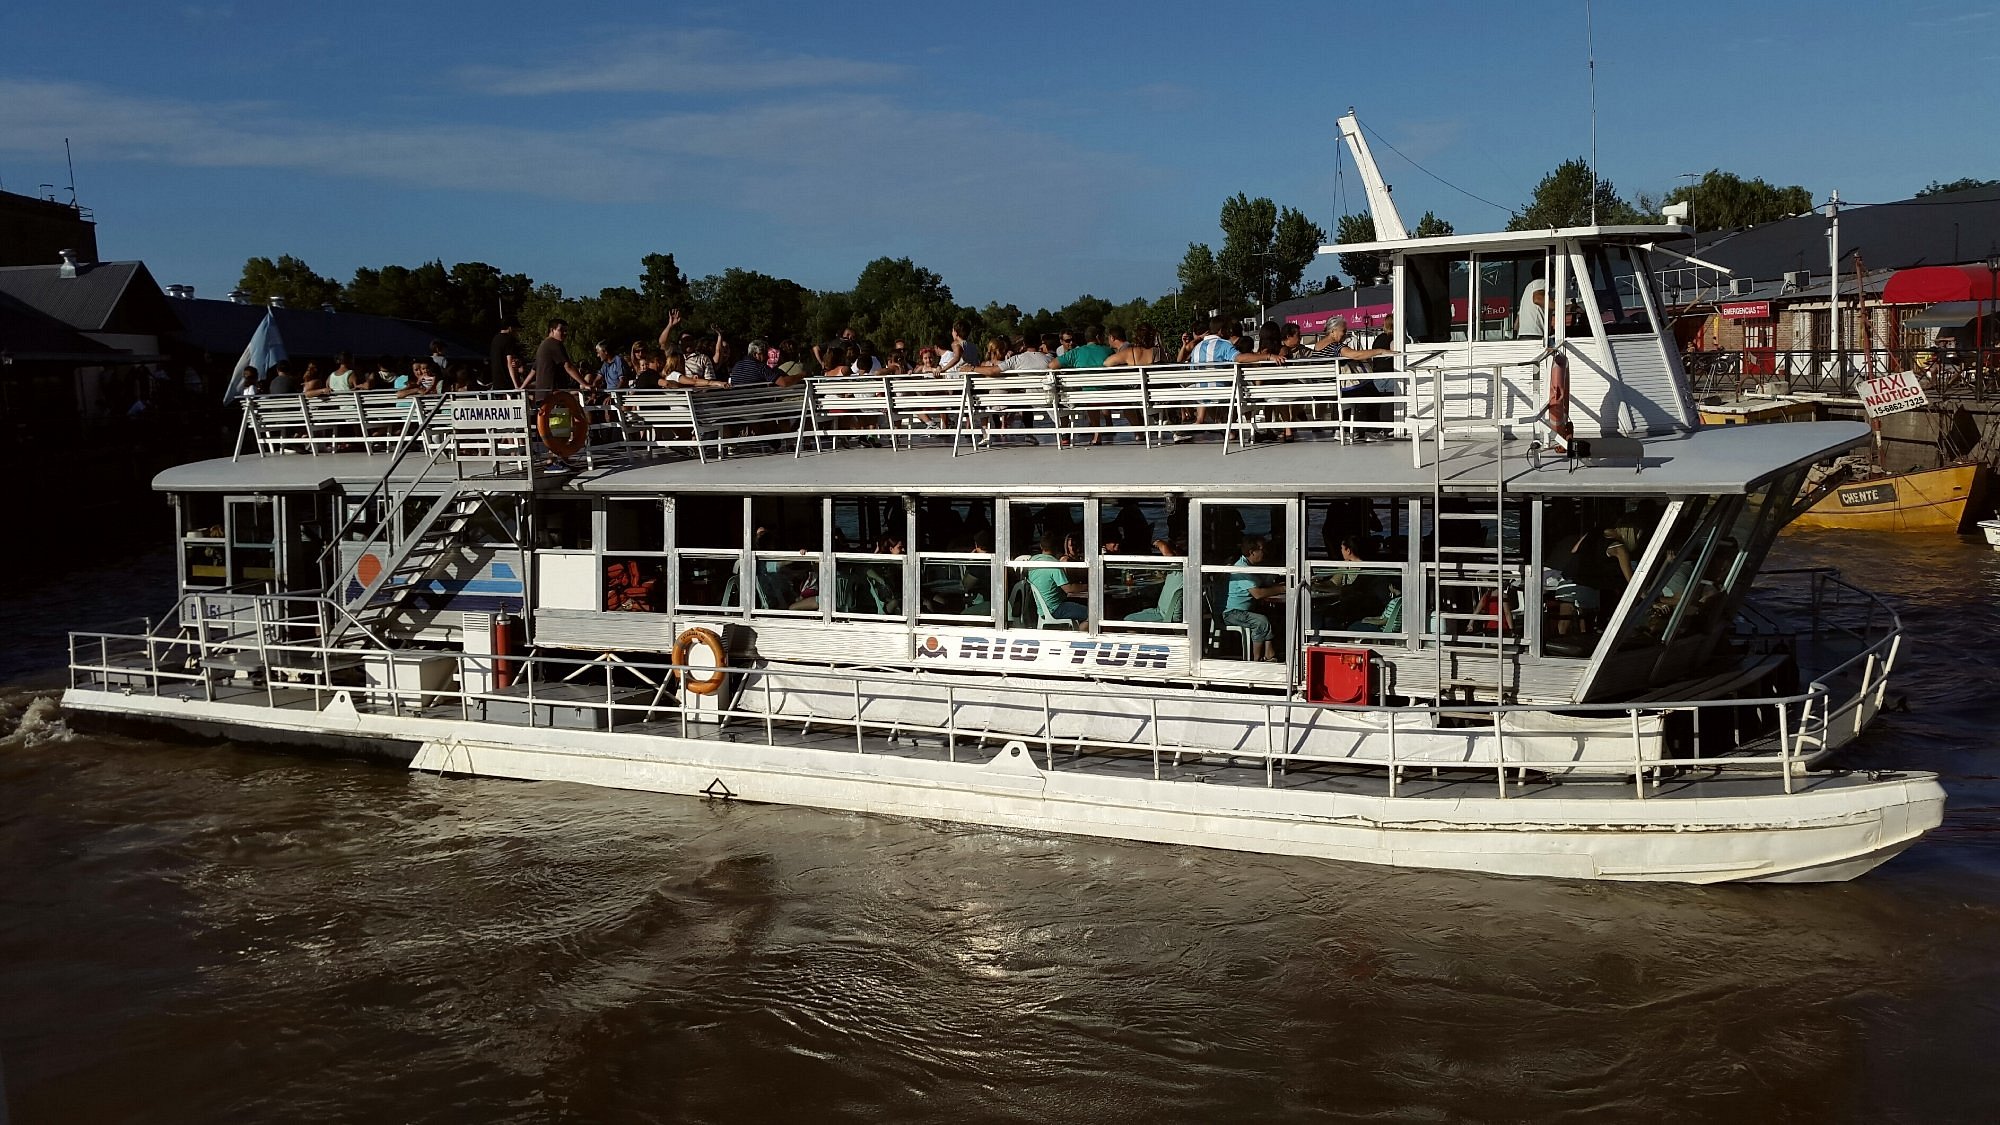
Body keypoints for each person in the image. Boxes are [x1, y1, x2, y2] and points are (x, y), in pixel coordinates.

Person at [1224, 535, 1285, 661]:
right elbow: (1258, 593)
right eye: (1262, 549)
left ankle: (1269, 653)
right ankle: (1255, 659)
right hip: (1233, 612)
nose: (1265, 552)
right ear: (1252, 552)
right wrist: (1282, 589)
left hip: (1247, 610)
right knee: (1261, 621)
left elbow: (1262, 584)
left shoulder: (1251, 567)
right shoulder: (1242, 569)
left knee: (1273, 615)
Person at [1027, 530, 1086, 624]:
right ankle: (1076, 634)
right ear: (1057, 548)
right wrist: (1088, 586)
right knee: (1092, 614)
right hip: (1056, 608)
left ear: (1041, 546)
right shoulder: (1054, 565)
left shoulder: (1032, 561)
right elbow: (1068, 589)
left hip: (1041, 609)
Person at [1123, 538, 1185, 623]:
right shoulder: (1184, 571)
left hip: (1166, 615)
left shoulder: (1179, 567)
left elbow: (1169, 556)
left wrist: (1158, 542)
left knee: (1128, 619)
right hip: (1163, 612)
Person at [534, 319, 585, 395]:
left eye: (566, 331)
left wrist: (521, 387)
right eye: (561, 330)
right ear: (552, 330)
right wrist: (585, 384)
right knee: (576, 406)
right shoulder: (555, 344)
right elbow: (568, 366)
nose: (565, 333)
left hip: (542, 393)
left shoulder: (543, 345)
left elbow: (533, 370)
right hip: (554, 393)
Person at [489, 321, 522, 389]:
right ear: (510, 328)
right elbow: (509, 363)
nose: (517, 332)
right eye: (516, 330)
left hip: (497, 382)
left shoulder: (495, 339)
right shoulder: (509, 339)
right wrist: (516, 385)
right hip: (507, 383)